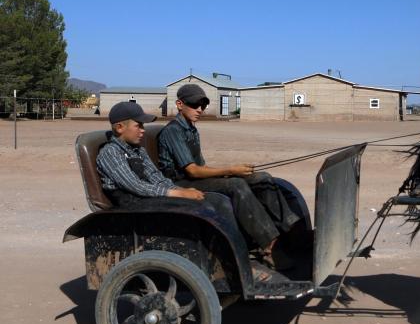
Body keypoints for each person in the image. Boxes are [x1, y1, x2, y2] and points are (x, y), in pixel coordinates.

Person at [157, 84, 298, 270]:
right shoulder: (173, 131)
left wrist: (232, 171)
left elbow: (202, 167)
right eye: (194, 105)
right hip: (180, 183)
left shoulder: (191, 129)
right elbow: (192, 171)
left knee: (262, 177)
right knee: (236, 185)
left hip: (194, 177)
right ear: (179, 104)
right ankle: (269, 247)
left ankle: (291, 231)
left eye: (203, 105)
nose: (200, 110)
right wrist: (231, 171)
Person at [95, 101, 225, 213]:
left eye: (143, 126)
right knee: (195, 208)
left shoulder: (138, 150)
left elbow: (155, 177)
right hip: (131, 205)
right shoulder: (110, 153)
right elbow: (134, 185)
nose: (142, 130)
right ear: (119, 128)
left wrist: (180, 189)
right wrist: (178, 194)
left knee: (212, 201)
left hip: (147, 198)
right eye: (138, 125)